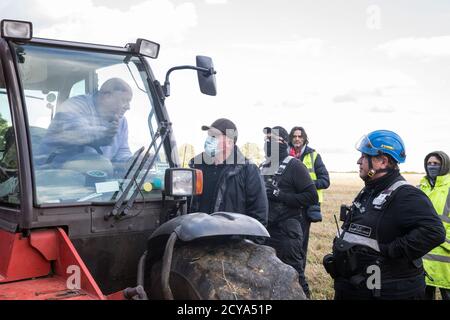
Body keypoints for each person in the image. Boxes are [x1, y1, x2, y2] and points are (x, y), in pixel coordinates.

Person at [323, 130, 445, 300]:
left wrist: (389, 251)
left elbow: (434, 232)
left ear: (382, 161)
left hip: (388, 291)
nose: (359, 161)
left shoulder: (406, 195)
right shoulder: (369, 190)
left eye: (364, 156)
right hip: (358, 287)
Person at [260, 126, 318, 299]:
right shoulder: (262, 166)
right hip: (265, 231)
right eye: (266, 140)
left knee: (294, 276)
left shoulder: (294, 165)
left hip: (287, 231)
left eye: (274, 140)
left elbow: (311, 196)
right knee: (267, 276)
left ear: (284, 143)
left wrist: (280, 195)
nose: (268, 143)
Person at [37, 78, 133, 172]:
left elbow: (122, 152)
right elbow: (76, 133)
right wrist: (102, 134)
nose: (128, 107)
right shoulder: (74, 106)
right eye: (125, 100)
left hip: (91, 180)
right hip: (47, 177)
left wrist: (131, 162)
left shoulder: (122, 122)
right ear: (107, 96)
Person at [189, 118, 268, 227]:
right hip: (199, 238)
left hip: (232, 241)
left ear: (230, 142)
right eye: (209, 135)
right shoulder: (197, 167)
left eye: (214, 136)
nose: (209, 139)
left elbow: (259, 214)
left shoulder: (248, 170)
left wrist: (248, 243)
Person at [289, 126, 330, 267]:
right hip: (288, 204)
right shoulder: (285, 155)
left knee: (300, 243)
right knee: (288, 243)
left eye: (300, 136)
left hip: (306, 207)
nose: (297, 139)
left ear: (304, 138)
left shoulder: (314, 156)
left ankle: (299, 277)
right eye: (294, 136)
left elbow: (325, 181)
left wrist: (306, 184)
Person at [419, 151, 450, 300]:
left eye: (436, 164)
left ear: (444, 166)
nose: (432, 166)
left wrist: (442, 240)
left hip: (445, 258)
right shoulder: (420, 188)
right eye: (429, 163)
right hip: (422, 256)